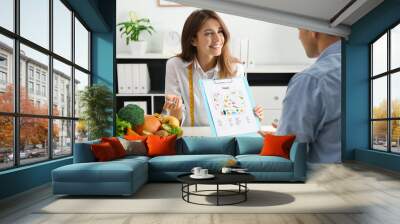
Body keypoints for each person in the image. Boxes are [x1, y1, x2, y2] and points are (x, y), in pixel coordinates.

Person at [163, 9, 263, 126]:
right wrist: (176, 111)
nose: (218, 39)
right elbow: (172, 120)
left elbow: (237, 115)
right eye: (209, 33)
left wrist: (252, 116)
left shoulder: (235, 68)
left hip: (224, 137)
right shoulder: (175, 65)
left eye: (220, 31)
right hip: (190, 136)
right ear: (193, 40)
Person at [260, 29, 341, 163]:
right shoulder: (364, 66)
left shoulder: (310, 79)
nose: (298, 37)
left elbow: (288, 150)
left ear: (314, 30)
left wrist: (278, 140)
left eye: (299, 29)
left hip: (321, 180)